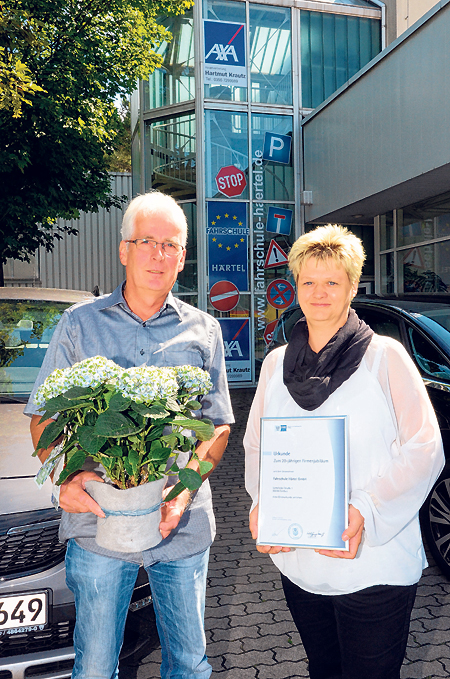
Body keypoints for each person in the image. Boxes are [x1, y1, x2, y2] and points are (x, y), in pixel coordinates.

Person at [25, 191, 234, 679]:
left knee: (189, 663)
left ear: (183, 258)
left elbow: (218, 426)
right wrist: (68, 476)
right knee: (96, 667)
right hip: (98, 527)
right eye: (147, 242)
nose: (158, 255)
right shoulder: (79, 325)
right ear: (124, 250)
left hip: (179, 528)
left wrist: (183, 494)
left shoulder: (204, 332)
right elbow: (42, 418)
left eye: (170, 245)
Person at [244, 224, 444, 679]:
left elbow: (424, 447)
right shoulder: (276, 364)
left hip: (372, 562)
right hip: (300, 560)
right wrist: (263, 504)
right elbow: (258, 443)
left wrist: (365, 509)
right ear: (295, 286)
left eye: (332, 281)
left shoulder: (385, 357)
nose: (319, 293)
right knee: (324, 669)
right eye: (309, 281)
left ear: (353, 287)